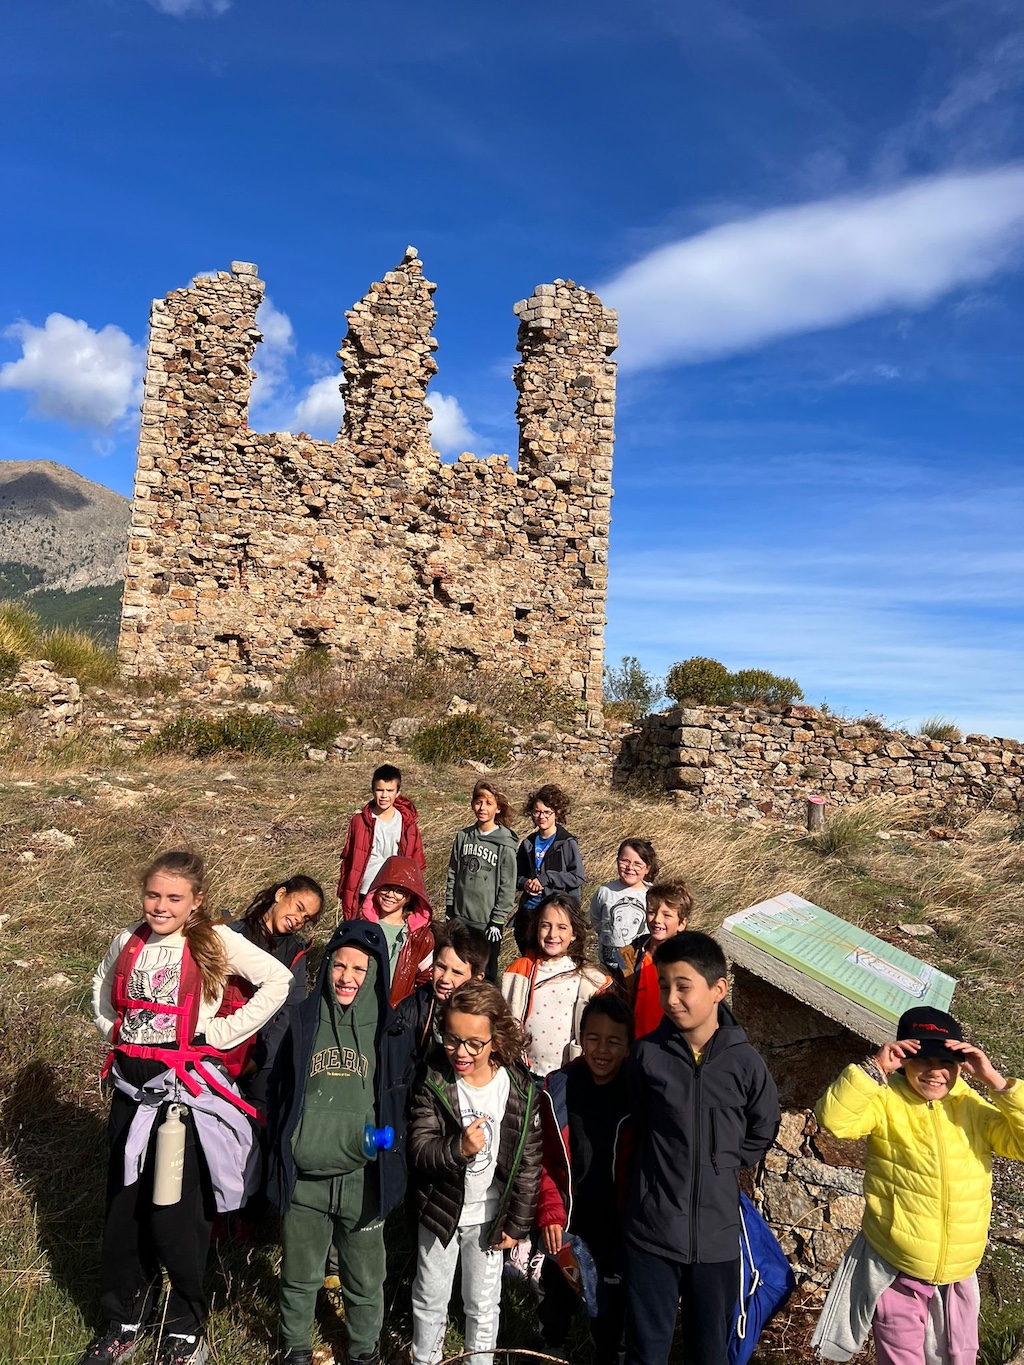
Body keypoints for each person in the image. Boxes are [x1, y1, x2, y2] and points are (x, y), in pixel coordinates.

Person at [81, 850, 292, 1365]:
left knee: (178, 1214)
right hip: (131, 1096)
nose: (160, 906)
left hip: (183, 1101)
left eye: (174, 898)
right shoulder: (127, 942)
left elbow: (278, 981)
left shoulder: (216, 942)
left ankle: (185, 1329)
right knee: (125, 1211)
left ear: (196, 902)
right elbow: (100, 993)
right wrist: (115, 1031)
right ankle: (124, 1319)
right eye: (153, 895)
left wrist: (217, 1034)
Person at [811, 1007, 1024, 1365]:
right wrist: (874, 1070)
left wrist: (996, 1083)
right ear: (903, 1058)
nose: (935, 1071)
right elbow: (835, 1121)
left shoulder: (970, 1105)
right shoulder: (886, 1099)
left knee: (959, 1356)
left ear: (961, 1065)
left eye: (947, 1062)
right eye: (921, 1059)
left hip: (958, 1270)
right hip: (897, 1267)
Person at [623, 931, 780, 1365]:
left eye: (683, 986)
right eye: (664, 987)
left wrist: (723, 1162)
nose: (671, 998)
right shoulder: (647, 1056)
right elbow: (635, 1119)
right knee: (645, 1351)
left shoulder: (745, 1061)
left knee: (709, 1352)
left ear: (718, 990)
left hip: (717, 1241)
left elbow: (763, 1124)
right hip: (651, 1232)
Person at [269, 919, 414, 1365]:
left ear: (375, 974)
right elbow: (278, 1092)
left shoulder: (391, 1033)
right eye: (339, 965)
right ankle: (294, 1349)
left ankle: (363, 1352)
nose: (347, 977)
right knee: (298, 1274)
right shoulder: (302, 1019)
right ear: (326, 965)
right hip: (305, 1180)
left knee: (366, 1278)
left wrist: (385, 1145)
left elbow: (401, 1098)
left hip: (361, 1180)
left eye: (359, 968)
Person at [408, 980, 543, 1365]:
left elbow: (528, 1162)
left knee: (483, 1304)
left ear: (496, 1040)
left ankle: (479, 1361)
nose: (460, 1052)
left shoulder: (516, 1088)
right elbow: (420, 1150)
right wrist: (459, 1148)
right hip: (440, 1212)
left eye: (473, 1043)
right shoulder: (435, 1080)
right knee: (429, 1296)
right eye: (451, 1040)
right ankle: (425, 1359)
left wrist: (517, 1224)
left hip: (490, 1218)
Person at [535, 994, 635, 1364]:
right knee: (557, 1294)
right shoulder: (559, 1087)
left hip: (618, 1225)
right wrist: (549, 1213)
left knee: (611, 1316)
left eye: (614, 1041)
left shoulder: (637, 1095)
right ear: (580, 1038)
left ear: (628, 1046)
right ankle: (552, 1347)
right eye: (593, 1038)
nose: (602, 1050)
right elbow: (544, 1159)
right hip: (569, 1221)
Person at [223, 874, 324, 1112]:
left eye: (306, 918)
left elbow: (291, 1010)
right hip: (221, 1042)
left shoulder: (296, 954)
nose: (298, 919)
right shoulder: (232, 934)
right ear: (280, 894)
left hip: (262, 1054)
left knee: (262, 1115)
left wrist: (259, 1061)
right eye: (298, 908)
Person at [501, 892, 612, 1078]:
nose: (553, 934)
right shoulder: (518, 972)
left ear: (574, 933)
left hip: (569, 1076)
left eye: (562, 927)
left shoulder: (589, 979)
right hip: (523, 1074)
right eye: (545, 926)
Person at [445, 779, 519, 982]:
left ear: (497, 808)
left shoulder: (505, 843)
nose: (482, 808)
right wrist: (450, 910)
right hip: (461, 917)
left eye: (488, 803)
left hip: (487, 922)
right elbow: (453, 873)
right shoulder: (463, 837)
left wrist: (498, 919)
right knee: (458, 967)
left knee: (485, 974)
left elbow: (507, 884)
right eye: (478, 802)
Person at [395, 921, 490, 1071]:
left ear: (477, 978)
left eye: (457, 972)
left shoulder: (487, 1019)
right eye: (441, 966)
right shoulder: (410, 1011)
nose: (445, 978)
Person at [338, 764, 425, 921]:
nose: (384, 795)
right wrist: (344, 892)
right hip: (365, 889)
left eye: (390, 791)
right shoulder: (359, 822)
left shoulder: (407, 824)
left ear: (398, 792)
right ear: (373, 790)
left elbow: (416, 863)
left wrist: (413, 899)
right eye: (380, 790)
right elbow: (348, 860)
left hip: (393, 894)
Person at [513, 785, 584, 955]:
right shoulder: (528, 843)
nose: (541, 816)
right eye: (537, 812)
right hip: (529, 913)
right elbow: (515, 876)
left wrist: (546, 878)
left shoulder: (567, 843)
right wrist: (526, 884)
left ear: (557, 813)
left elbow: (577, 877)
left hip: (558, 913)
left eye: (547, 812)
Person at [358, 854, 435, 1007]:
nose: (390, 895)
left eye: (399, 890)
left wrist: (410, 1010)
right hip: (360, 1008)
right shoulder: (360, 926)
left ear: (411, 897)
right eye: (386, 887)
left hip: (396, 1013)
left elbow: (427, 977)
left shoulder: (420, 936)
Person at [619, 879, 692, 1037]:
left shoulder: (690, 964)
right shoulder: (628, 957)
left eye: (667, 915)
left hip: (670, 1046)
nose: (657, 919)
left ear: (682, 923)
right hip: (633, 1046)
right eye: (652, 912)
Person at [589, 839, 658, 973]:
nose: (630, 867)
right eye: (625, 861)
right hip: (607, 966)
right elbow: (596, 919)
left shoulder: (652, 894)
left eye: (638, 864)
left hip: (638, 965)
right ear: (617, 861)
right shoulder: (605, 891)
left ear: (647, 868)